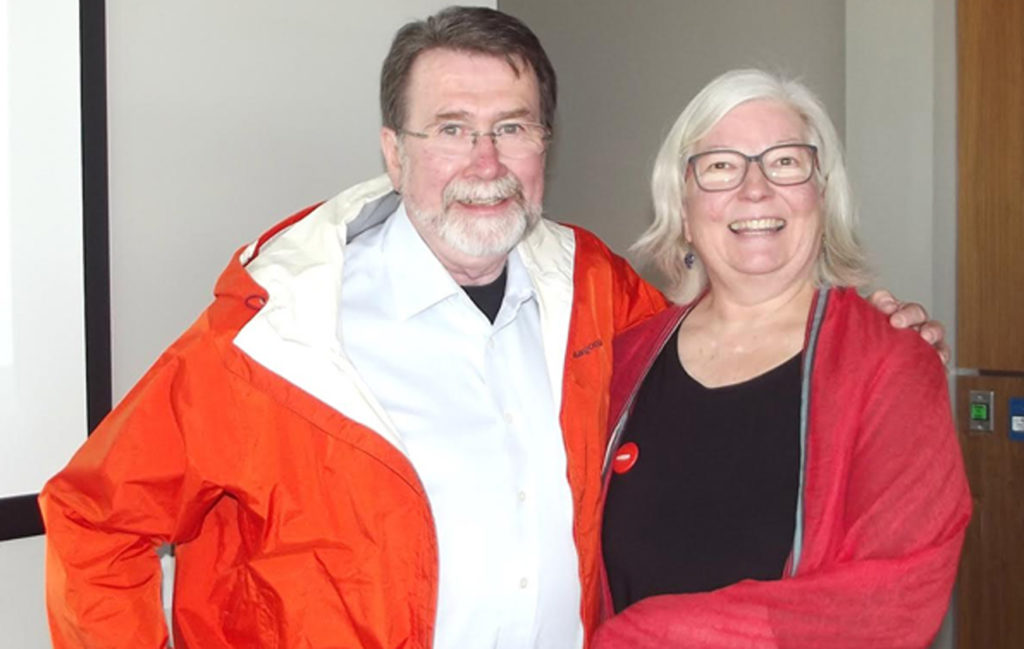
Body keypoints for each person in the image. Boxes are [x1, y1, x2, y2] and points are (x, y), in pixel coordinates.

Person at [40, 8, 942, 649]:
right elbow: (94, 520)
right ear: (394, 151)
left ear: (546, 145)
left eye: (513, 127)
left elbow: (734, 339)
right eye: (450, 128)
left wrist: (866, 338)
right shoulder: (277, 338)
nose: (484, 162)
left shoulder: (597, 296)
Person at [595, 69, 970, 649]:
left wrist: (642, 638)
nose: (755, 189)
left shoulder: (891, 363)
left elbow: (892, 599)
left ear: (823, 194)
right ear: (682, 207)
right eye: (721, 165)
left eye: (786, 162)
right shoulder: (623, 362)